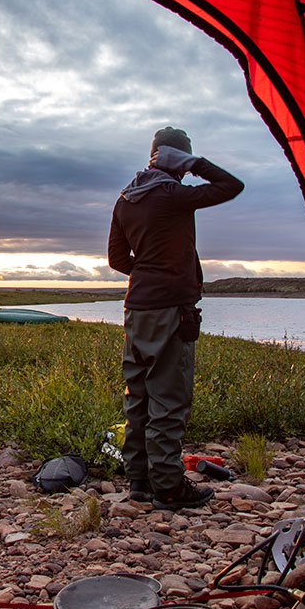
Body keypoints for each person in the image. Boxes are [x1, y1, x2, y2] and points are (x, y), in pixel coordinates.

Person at [108, 127, 244, 510]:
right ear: (177, 161)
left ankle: (139, 481)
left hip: (136, 310)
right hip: (171, 311)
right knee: (168, 397)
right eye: (183, 162)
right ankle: (168, 487)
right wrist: (194, 163)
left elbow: (118, 260)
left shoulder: (125, 199)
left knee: (138, 396)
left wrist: (149, 272)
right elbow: (231, 186)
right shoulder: (173, 195)